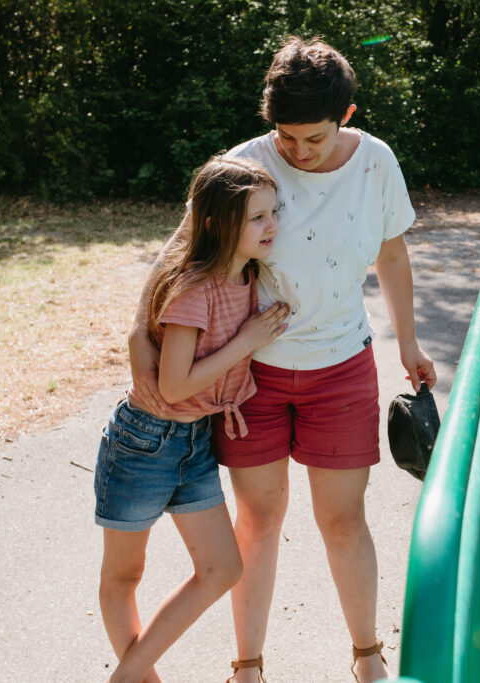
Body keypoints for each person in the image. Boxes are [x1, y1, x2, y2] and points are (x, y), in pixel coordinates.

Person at [127, 36, 436, 683]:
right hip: (250, 379)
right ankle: (248, 665)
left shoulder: (376, 163)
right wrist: (139, 339)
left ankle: (367, 653)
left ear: (346, 116)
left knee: (343, 518)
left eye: (314, 139)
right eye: (286, 137)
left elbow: (394, 256)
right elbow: (178, 253)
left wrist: (407, 341)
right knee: (259, 519)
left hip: (343, 369)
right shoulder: (245, 164)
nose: (297, 153)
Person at [95, 155, 290, 682]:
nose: (272, 226)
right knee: (124, 574)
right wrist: (248, 341)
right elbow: (174, 385)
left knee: (222, 569)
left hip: (196, 443)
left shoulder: (248, 274)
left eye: (274, 212)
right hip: (145, 441)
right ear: (214, 223)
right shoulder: (193, 289)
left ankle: (125, 677)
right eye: (257, 218)